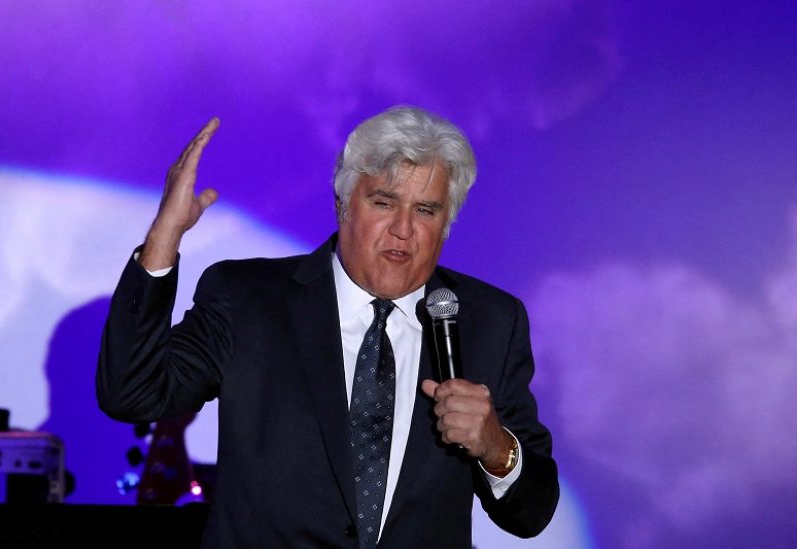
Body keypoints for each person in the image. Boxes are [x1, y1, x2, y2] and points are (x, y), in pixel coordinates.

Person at [97, 106, 558, 548]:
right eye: (383, 202)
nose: (402, 229)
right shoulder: (247, 298)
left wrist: (496, 447)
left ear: (447, 224)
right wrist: (164, 236)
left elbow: (532, 514)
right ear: (343, 204)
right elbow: (132, 393)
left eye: (425, 210)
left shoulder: (491, 322)